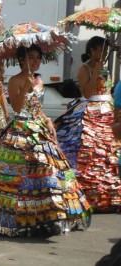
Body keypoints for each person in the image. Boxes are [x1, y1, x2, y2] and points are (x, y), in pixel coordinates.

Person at [0, 45, 92, 237]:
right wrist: (25, 88)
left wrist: (47, 120)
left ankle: (48, 214)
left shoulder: (40, 81)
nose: (34, 61)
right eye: (31, 58)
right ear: (21, 60)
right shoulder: (15, 81)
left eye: (37, 58)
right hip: (20, 131)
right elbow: (18, 108)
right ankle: (17, 218)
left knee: (48, 170)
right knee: (18, 177)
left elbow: (37, 108)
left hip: (39, 131)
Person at [55, 36, 121, 211]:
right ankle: (89, 193)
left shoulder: (105, 69)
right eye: (101, 49)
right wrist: (96, 73)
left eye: (106, 50)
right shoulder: (84, 69)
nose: (104, 53)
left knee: (110, 152)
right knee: (89, 151)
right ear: (92, 50)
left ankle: (110, 194)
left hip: (107, 113)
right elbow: (86, 93)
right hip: (90, 114)